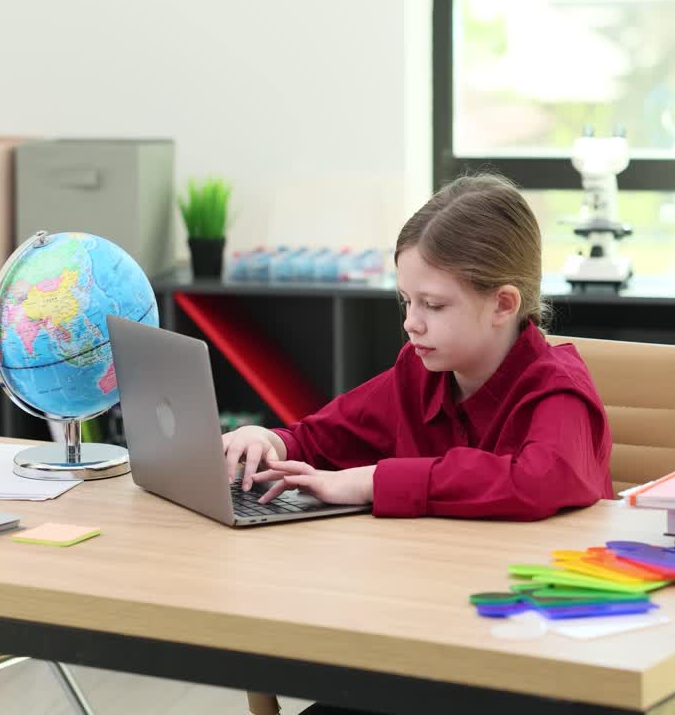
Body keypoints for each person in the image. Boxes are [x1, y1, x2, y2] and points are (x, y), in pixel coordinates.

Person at [221, 173, 613, 521]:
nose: (411, 322)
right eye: (406, 300)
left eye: (434, 305)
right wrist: (270, 442)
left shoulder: (558, 391)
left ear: (503, 304)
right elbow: (322, 440)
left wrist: (375, 480)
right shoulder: (419, 370)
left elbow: (535, 481)